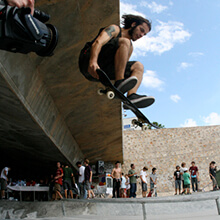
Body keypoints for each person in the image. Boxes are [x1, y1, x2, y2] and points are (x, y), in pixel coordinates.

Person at [79, 14, 155, 109]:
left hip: (100, 71)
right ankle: (119, 82)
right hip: (88, 60)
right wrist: (93, 61)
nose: (141, 35)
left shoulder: (130, 48)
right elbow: (98, 43)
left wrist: (111, 88)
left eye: (144, 34)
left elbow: (119, 68)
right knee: (125, 42)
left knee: (138, 66)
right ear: (133, 24)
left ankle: (131, 96)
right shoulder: (115, 29)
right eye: (141, 30)